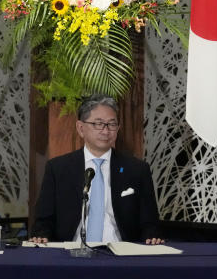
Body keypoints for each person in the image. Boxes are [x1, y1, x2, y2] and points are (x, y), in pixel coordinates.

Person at [30, 94, 163, 245]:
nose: (106, 131)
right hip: (71, 252)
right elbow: (43, 221)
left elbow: (150, 222)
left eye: (112, 124)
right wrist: (41, 235)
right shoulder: (58, 168)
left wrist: (151, 236)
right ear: (81, 128)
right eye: (98, 124)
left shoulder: (137, 170)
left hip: (122, 253)